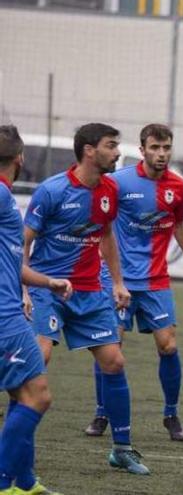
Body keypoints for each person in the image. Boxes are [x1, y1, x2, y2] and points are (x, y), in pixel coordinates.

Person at [22, 123, 150, 475]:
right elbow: (23, 243)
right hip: (48, 289)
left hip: (90, 291)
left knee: (114, 362)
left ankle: (122, 449)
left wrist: (118, 283)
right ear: (89, 150)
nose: (117, 151)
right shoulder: (52, 191)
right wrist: (25, 289)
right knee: (39, 358)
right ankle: (17, 446)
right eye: (111, 145)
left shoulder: (109, 189)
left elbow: (106, 234)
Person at [84, 123, 183, 442]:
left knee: (169, 345)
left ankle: (171, 414)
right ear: (143, 150)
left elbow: (178, 224)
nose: (161, 154)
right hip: (118, 280)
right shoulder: (118, 182)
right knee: (111, 347)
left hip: (155, 280)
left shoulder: (177, 187)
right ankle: (101, 413)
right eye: (155, 148)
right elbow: (101, 223)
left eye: (166, 148)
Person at [0, 125, 73, 494]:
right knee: (38, 395)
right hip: (5, 319)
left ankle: (25, 483)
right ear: (20, 159)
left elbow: (12, 263)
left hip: (11, 310)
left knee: (21, 394)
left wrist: (46, 282)